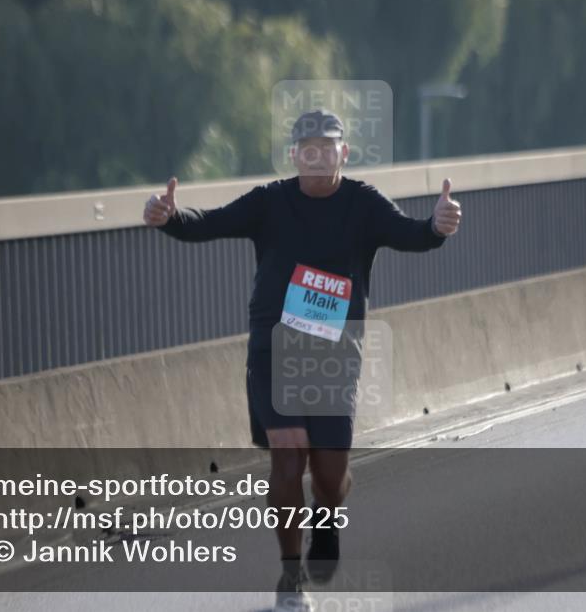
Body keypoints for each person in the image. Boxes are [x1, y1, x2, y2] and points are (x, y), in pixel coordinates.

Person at [143, 109, 461, 611]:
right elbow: (208, 224)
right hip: (274, 351)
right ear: (294, 155)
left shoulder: (363, 204)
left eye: (327, 147)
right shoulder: (270, 202)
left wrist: (438, 226)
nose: (317, 156)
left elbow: (412, 234)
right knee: (288, 457)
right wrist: (169, 218)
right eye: (307, 148)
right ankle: (291, 578)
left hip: (335, 357)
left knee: (330, 475)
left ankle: (327, 516)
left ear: (344, 153)